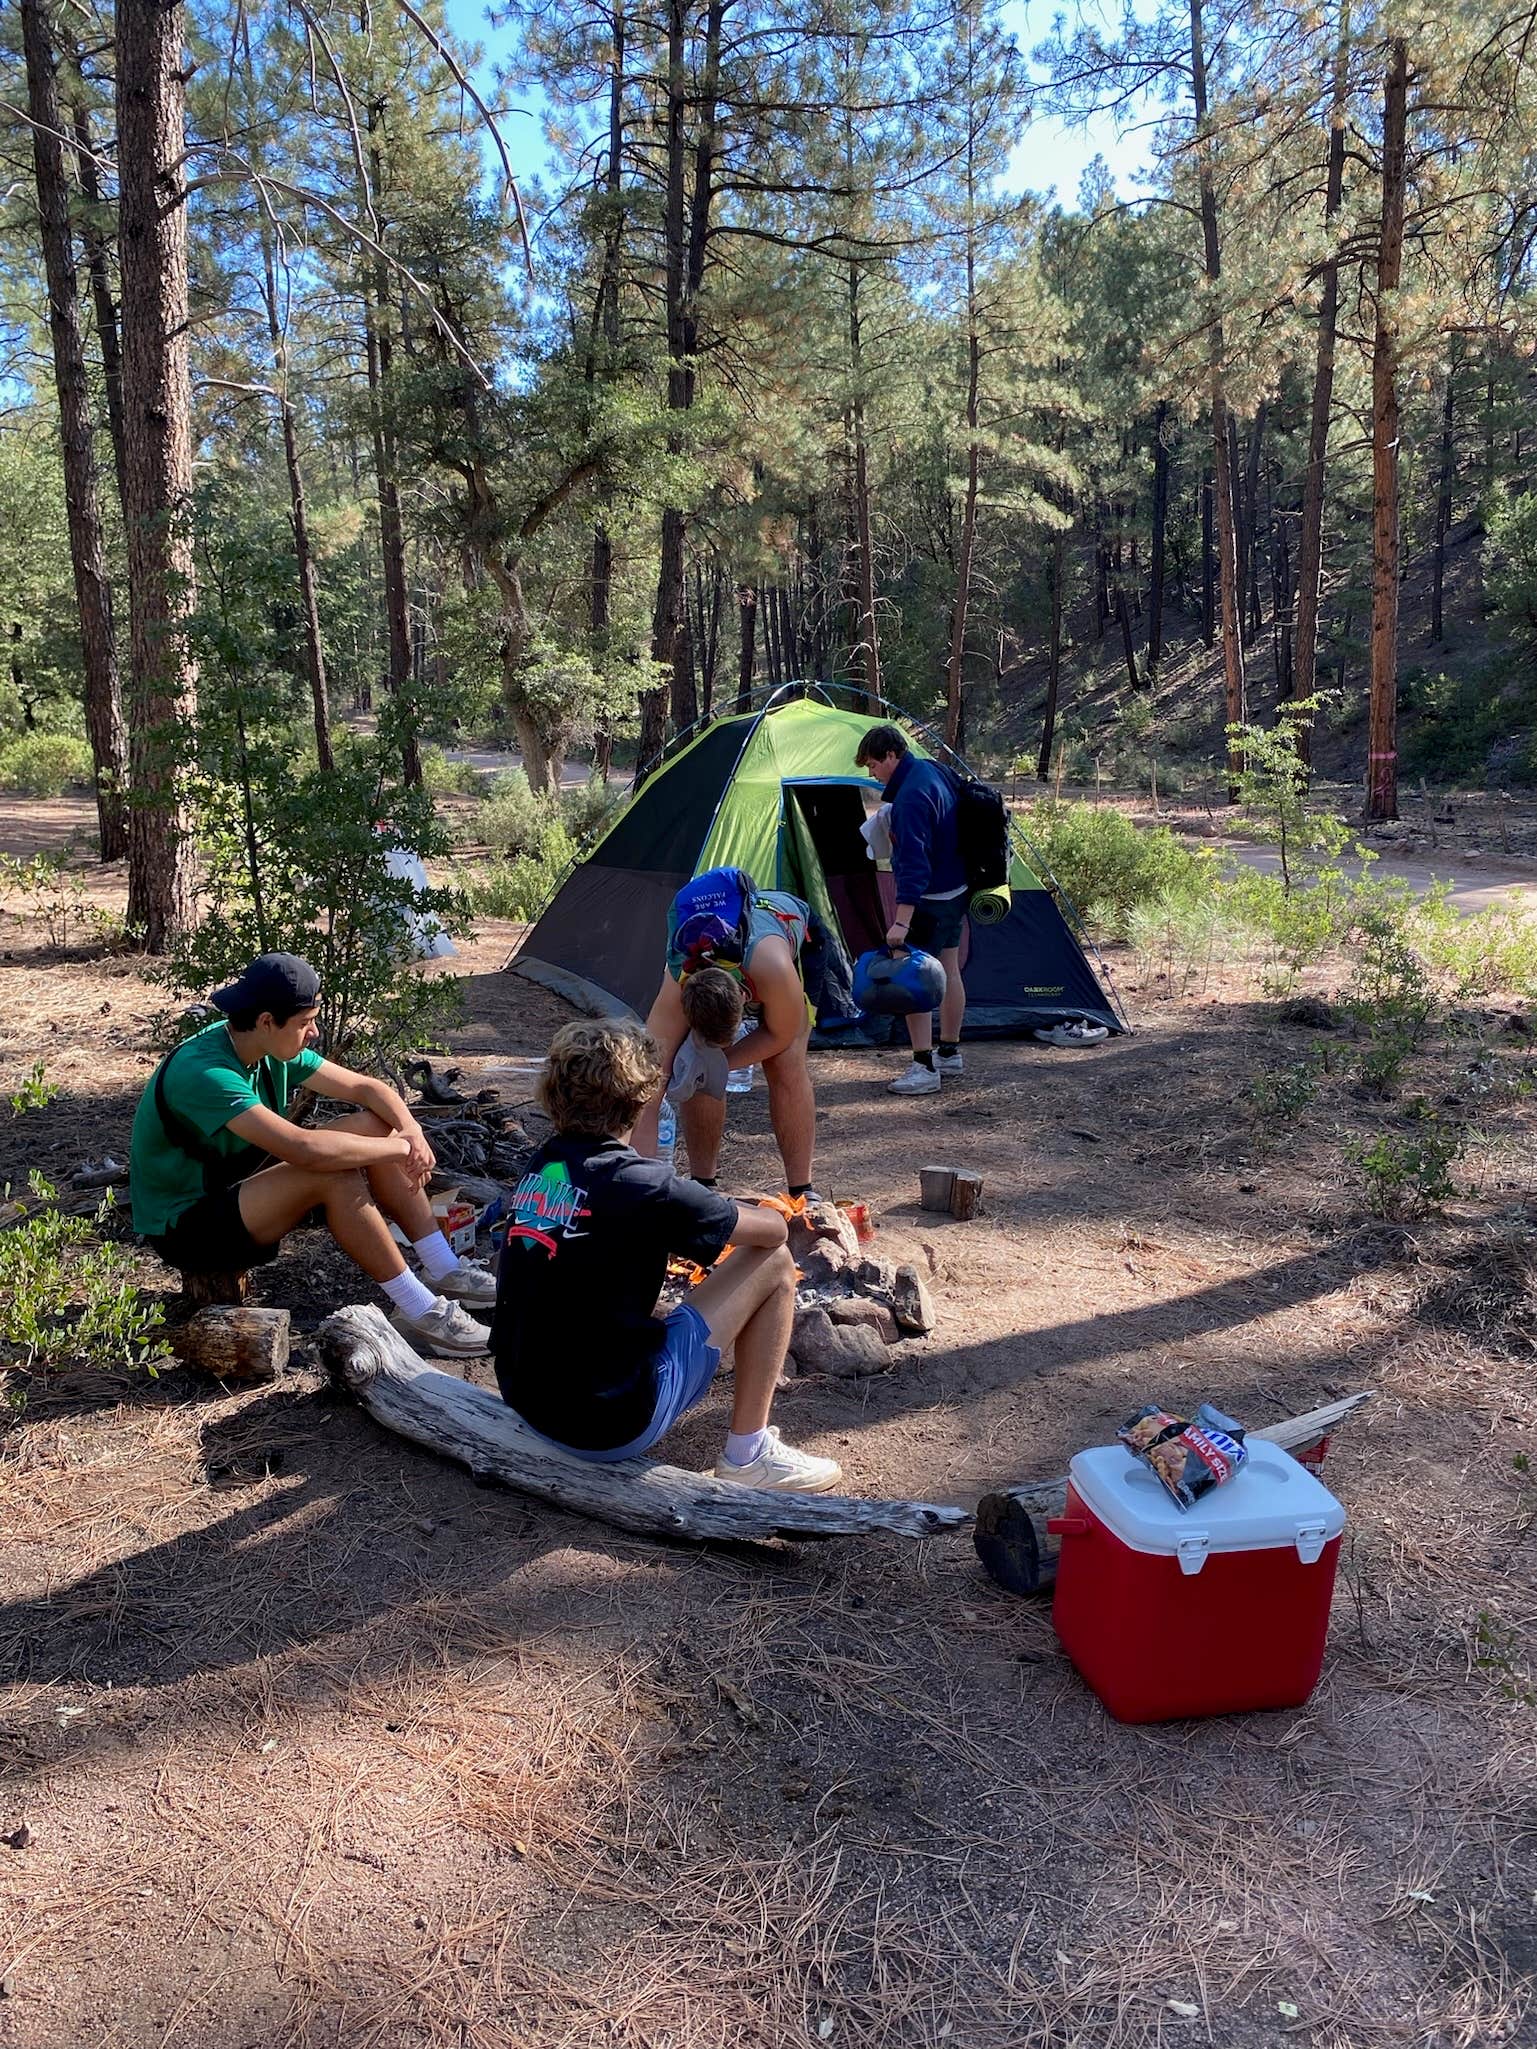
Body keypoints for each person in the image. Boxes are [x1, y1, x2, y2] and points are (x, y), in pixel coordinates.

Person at [491, 1019, 842, 1492]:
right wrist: (724, 1206)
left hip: (527, 1398)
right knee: (776, 1261)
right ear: (641, 1098)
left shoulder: (546, 1162)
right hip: (605, 1424)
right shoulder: (645, 1186)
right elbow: (773, 1230)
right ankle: (749, 1455)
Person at [129, 952, 494, 1358]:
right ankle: (420, 1311)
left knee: (378, 1123)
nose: (314, 1033)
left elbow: (367, 1089)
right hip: (186, 1224)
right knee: (331, 1173)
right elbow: (304, 1150)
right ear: (267, 1020)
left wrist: (410, 1130)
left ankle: (443, 1267)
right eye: (305, 1023)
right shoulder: (206, 1073)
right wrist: (401, 1150)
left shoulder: (262, 1043)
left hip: (235, 1184)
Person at [633, 866, 824, 1201]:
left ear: (746, 998)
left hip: (796, 939)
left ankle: (802, 1191)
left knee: (784, 1062)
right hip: (722, 954)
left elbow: (779, 1034)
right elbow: (649, 1082)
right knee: (695, 1067)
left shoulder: (773, 969)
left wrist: (720, 1063)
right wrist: (640, 1182)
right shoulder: (678, 979)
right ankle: (703, 1185)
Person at [854, 723, 968, 1095]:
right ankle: (949, 1053)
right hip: (957, 890)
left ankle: (924, 1066)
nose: (872, 773)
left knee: (913, 976)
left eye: (873, 764)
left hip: (929, 899)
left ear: (891, 755)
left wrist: (901, 922)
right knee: (948, 968)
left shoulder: (910, 799)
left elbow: (913, 867)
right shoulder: (933, 769)